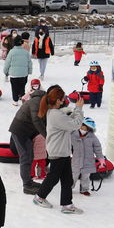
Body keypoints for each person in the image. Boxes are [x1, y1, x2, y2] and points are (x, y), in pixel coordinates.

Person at [32, 86, 85, 214]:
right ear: (58, 101)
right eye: (63, 98)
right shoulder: (55, 115)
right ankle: (39, 197)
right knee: (53, 177)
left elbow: (67, 118)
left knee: (66, 179)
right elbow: (75, 124)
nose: (65, 100)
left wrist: (73, 111)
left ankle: (67, 205)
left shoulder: (55, 112)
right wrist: (78, 108)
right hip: (58, 152)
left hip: (62, 151)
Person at [8, 83, 47, 195]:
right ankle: (27, 186)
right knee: (25, 158)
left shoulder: (42, 102)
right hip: (20, 131)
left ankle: (29, 182)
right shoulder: (36, 101)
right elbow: (37, 120)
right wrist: (47, 136)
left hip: (27, 132)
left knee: (30, 156)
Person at [71, 117, 104, 196]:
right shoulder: (73, 135)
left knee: (86, 176)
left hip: (88, 161)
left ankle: (84, 189)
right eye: (82, 128)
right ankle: (69, 187)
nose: (83, 130)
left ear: (89, 129)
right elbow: (68, 145)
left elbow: (97, 148)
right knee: (73, 175)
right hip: (76, 161)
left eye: (86, 129)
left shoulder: (92, 137)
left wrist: (101, 159)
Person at [3, 37, 31, 106]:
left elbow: (7, 62)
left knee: (14, 88)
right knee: (22, 86)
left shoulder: (11, 52)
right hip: (24, 73)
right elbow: (29, 62)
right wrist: (29, 71)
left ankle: (15, 101)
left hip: (13, 74)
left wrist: (5, 71)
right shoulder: (26, 52)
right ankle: (22, 97)